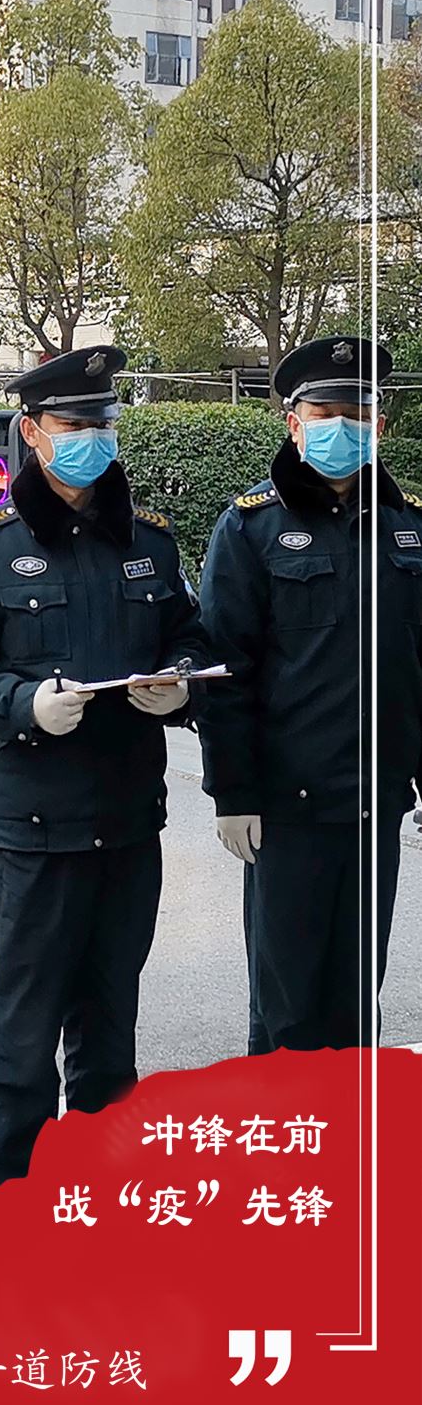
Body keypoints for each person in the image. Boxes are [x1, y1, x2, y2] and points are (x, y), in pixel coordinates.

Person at [0, 347, 206, 1190]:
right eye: (73, 425)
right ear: (32, 431)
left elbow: (190, 637)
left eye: (102, 425)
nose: (90, 440)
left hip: (129, 824)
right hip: (36, 833)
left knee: (110, 1041)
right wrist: (22, 704)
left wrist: (181, 684)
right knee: (21, 1042)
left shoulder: (148, 543)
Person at [197, 335, 419, 1053]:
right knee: (286, 1010)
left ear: (380, 424)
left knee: (357, 1006)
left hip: (376, 805)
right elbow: (225, 672)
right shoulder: (250, 527)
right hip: (286, 810)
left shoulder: (409, 527)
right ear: (294, 423)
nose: (344, 427)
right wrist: (232, 792)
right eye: (327, 413)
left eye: (359, 413)